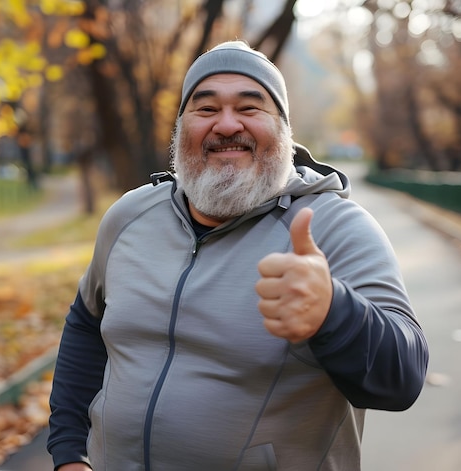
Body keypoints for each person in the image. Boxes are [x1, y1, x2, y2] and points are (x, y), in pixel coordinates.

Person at [47, 40, 429, 471]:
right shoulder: (130, 215)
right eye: (206, 109)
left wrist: (334, 311)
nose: (226, 125)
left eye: (250, 108)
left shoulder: (336, 228)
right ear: (180, 129)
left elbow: (404, 378)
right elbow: (86, 324)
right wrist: (69, 453)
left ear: (284, 129)